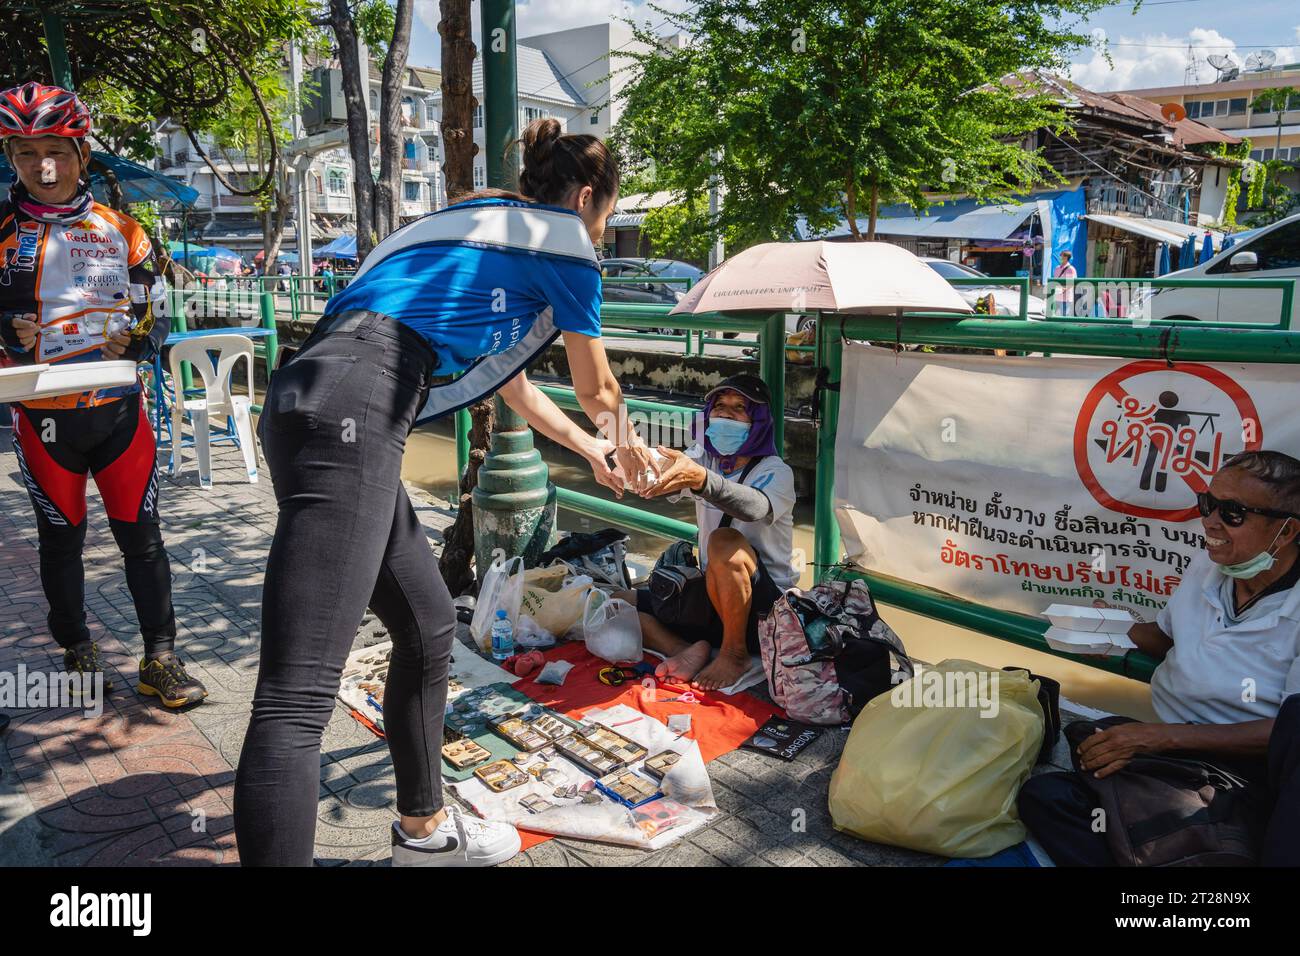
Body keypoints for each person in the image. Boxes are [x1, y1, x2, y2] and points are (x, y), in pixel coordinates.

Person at [232, 117, 659, 867]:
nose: (600, 231)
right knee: (296, 697)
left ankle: (424, 834)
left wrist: (591, 449)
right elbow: (601, 385)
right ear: (589, 197)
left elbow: (517, 386)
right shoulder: (565, 237)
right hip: (361, 406)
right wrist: (628, 448)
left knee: (429, 627)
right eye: (607, 215)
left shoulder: (464, 223)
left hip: (312, 396)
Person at [0, 82, 207, 707]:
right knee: (61, 539)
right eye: (27, 153)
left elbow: (162, 314)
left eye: (57, 152)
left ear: (81, 154)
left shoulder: (126, 231)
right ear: (10, 158)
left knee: (143, 538)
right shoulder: (2, 234)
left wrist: (138, 341)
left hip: (118, 414)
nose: (44, 168)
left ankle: (161, 657)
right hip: (43, 419)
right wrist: (7, 330)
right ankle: (77, 649)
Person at [1018, 450, 1300, 866]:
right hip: (1172, 754)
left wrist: (1159, 737)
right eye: (1209, 503)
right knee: (1046, 798)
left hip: (1243, 770)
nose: (1211, 521)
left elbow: (1290, 735)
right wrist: (1110, 626)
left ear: (1287, 530)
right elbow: (1165, 637)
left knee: (1173, 827)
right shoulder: (1207, 565)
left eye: (1233, 512)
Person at [617, 374, 798, 691]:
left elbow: (755, 507)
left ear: (757, 420)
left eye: (739, 408)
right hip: (714, 599)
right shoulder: (704, 457)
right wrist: (622, 459)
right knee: (616, 604)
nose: (727, 414)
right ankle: (684, 651)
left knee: (723, 542)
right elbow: (661, 467)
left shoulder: (774, 471)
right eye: (720, 406)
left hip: (762, 615)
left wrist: (701, 480)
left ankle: (734, 653)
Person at [1052, 249, 1077, 316]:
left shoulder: (1070, 269)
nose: (1060, 257)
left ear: (1066, 258)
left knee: (1064, 317)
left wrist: (1062, 289)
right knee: (1055, 317)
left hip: (1065, 299)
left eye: (1061, 256)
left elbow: (1071, 283)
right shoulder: (1057, 268)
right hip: (1056, 297)